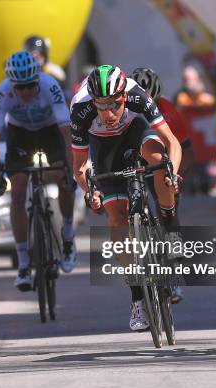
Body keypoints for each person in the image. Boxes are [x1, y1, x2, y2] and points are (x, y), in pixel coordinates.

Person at [71, 65, 181, 331]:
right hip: (102, 146)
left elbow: (172, 143)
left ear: (123, 97)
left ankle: (168, 224)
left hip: (136, 131)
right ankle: (137, 300)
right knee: (118, 219)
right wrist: (90, 192)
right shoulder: (80, 109)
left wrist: (173, 174)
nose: (108, 113)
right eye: (101, 106)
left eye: (113, 105)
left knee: (158, 160)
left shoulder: (137, 96)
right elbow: (79, 167)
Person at [0, 51, 77, 291]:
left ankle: (67, 235)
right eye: (20, 87)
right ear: (12, 85)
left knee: (62, 178)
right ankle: (24, 264)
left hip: (51, 132)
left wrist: (72, 169)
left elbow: (67, 135)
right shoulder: (2, 91)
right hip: (21, 135)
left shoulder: (50, 86)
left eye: (30, 86)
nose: (25, 92)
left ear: (37, 80)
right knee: (17, 191)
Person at [131, 67, 195, 304]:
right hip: (135, 160)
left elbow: (188, 151)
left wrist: (177, 176)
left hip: (164, 161)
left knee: (167, 207)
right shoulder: (123, 106)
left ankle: (175, 268)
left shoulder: (168, 110)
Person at [174, 65, 216, 195]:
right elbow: (179, 106)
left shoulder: (207, 99)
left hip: (205, 149)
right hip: (189, 146)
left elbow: (211, 103)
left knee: (207, 182)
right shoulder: (181, 97)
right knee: (189, 181)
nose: (190, 83)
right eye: (186, 79)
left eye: (192, 79)